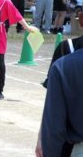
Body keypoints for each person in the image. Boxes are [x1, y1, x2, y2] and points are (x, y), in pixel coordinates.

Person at [35, 13, 83, 157]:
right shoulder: (67, 48)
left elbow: (54, 108)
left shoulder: (65, 59)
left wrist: (43, 137)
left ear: (80, 21)